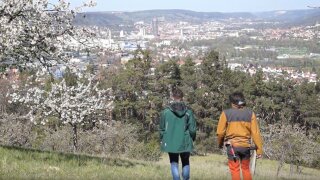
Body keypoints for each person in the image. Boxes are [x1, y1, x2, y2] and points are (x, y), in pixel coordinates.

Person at [216, 92, 263, 180]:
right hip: (246, 147)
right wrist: (259, 150)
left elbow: (220, 132)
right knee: (246, 169)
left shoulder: (225, 113)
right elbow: (255, 132)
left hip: (232, 147)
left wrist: (220, 144)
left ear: (232, 103)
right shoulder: (250, 113)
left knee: (235, 170)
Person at [159, 88, 197, 180]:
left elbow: (162, 128)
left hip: (170, 141)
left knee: (174, 163)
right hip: (185, 141)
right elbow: (192, 129)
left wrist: (161, 139)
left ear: (172, 97)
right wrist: (193, 139)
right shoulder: (188, 112)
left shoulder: (165, 112)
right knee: (185, 161)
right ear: (182, 97)